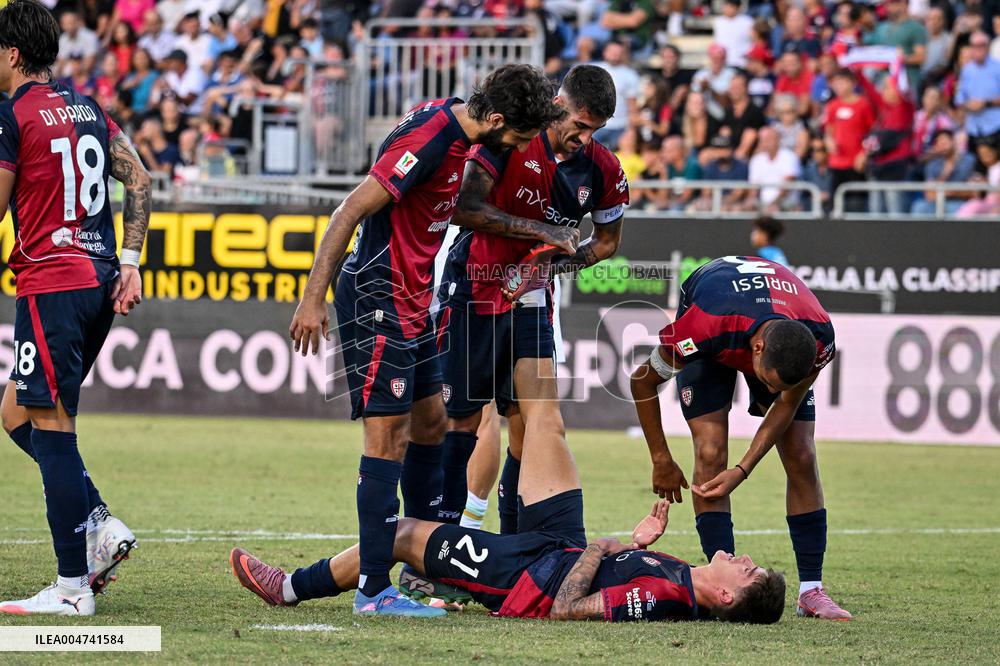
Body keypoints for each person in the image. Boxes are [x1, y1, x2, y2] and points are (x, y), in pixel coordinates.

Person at [288, 65, 565, 619]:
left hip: (415, 301)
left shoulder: (462, 126)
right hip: (377, 295)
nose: (515, 149)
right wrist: (313, 298)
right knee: (385, 439)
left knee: (433, 424)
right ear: (496, 119)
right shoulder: (433, 137)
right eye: (515, 138)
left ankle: (419, 571)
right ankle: (372, 591)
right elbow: (350, 209)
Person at [230, 397, 786, 623]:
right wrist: (633, 544)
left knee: (400, 533)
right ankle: (514, 317)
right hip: (561, 547)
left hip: (528, 575)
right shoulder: (683, 577)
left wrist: (605, 546)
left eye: (749, 568)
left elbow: (569, 609)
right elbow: (609, 566)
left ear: (729, 596)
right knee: (543, 415)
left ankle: (291, 588)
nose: (742, 557)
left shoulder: (665, 599)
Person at [423, 65, 627, 582]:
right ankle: (441, 553)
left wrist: (549, 264)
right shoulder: (514, 135)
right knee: (465, 420)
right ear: (559, 104)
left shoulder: (602, 169)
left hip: (532, 298)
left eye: (595, 131)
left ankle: (515, 558)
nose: (584, 139)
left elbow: (606, 244)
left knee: (538, 423)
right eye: (579, 125)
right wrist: (537, 231)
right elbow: (463, 207)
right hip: (475, 285)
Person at [0, 0, 152, 616]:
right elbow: (139, 180)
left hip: (52, 282)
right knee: (15, 412)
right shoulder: (88, 109)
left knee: (53, 428)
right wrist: (132, 260)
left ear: (11, 53)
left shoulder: (12, 115)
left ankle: (70, 588)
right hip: (98, 282)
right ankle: (97, 520)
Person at [628, 255, 851, 621]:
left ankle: (812, 591)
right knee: (711, 451)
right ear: (757, 352)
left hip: (767, 318)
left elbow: (786, 402)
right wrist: (661, 458)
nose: (767, 391)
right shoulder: (703, 326)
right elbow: (642, 381)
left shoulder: (818, 335)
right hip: (718, 316)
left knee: (802, 454)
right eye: (768, 382)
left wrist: (744, 469)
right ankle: (726, 586)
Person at [822, 68, 874, 213]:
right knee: (836, 205)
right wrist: (829, 141)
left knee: (856, 204)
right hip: (836, 162)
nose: (838, 87)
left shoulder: (863, 105)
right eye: (835, 83)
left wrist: (864, 154)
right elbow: (828, 130)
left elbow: (872, 133)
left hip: (856, 163)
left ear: (852, 83)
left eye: (842, 83)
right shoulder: (832, 106)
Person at [910, 129, 979, 215]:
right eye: (940, 144)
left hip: (959, 202)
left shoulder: (968, 160)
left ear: (953, 141)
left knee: (958, 209)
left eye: (945, 142)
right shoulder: (932, 164)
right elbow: (929, 195)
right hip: (936, 202)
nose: (943, 146)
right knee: (919, 207)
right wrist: (945, 173)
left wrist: (945, 192)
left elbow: (972, 192)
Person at [956, 31, 1000, 149]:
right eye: (975, 46)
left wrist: (985, 103)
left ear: (988, 46)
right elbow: (959, 98)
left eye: (982, 45)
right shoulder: (967, 70)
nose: (979, 49)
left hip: (995, 126)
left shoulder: (997, 68)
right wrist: (968, 106)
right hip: (973, 128)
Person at [748, 126, 802, 211]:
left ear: (777, 140)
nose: (766, 142)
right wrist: (750, 202)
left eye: (769, 139)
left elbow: (787, 186)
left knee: (773, 210)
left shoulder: (789, 156)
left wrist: (773, 204)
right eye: (763, 140)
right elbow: (754, 189)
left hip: (786, 202)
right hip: (763, 203)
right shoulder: (756, 159)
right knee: (739, 209)